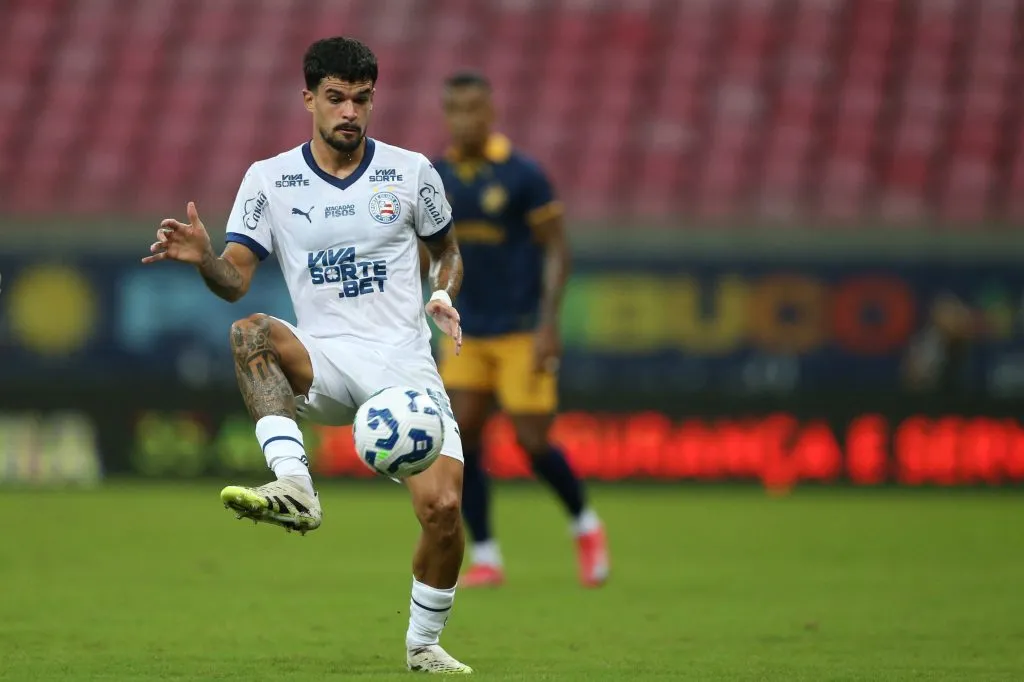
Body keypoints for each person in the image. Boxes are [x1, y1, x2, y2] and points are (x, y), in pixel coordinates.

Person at [142, 37, 473, 674]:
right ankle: (296, 485)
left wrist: (441, 292)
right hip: (324, 357)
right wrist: (205, 259)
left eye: (362, 99)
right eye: (336, 98)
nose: (350, 111)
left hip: (403, 364)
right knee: (251, 332)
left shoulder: (411, 172)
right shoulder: (269, 180)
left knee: (444, 510)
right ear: (309, 100)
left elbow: (450, 251)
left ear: (373, 100)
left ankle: (423, 644)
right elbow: (235, 279)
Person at [428, 72, 609, 588]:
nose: (464, 119)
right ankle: (486, 555)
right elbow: (429, 250)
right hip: (466, 331)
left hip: (521, 329)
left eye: (473, 108)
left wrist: (550, 324)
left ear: (491, 113)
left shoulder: (523, 174)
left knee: (532, 442)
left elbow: (557, 248)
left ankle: (585, 525)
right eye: (454, 109)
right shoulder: (436, 176)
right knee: (463, 440)